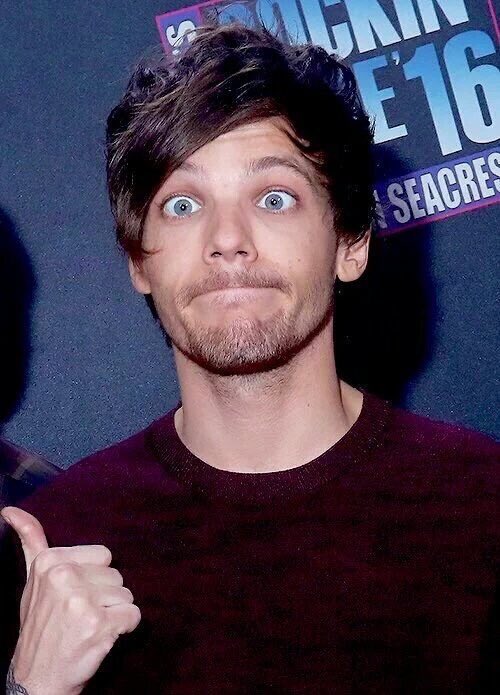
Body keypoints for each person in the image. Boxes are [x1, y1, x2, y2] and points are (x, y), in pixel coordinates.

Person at [1, 20, 498, 694]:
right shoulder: (56, 546)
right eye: (182, 204)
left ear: (350, 243)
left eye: (274, 198)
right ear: (139, 259)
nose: (227, 238)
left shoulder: (481, 505)